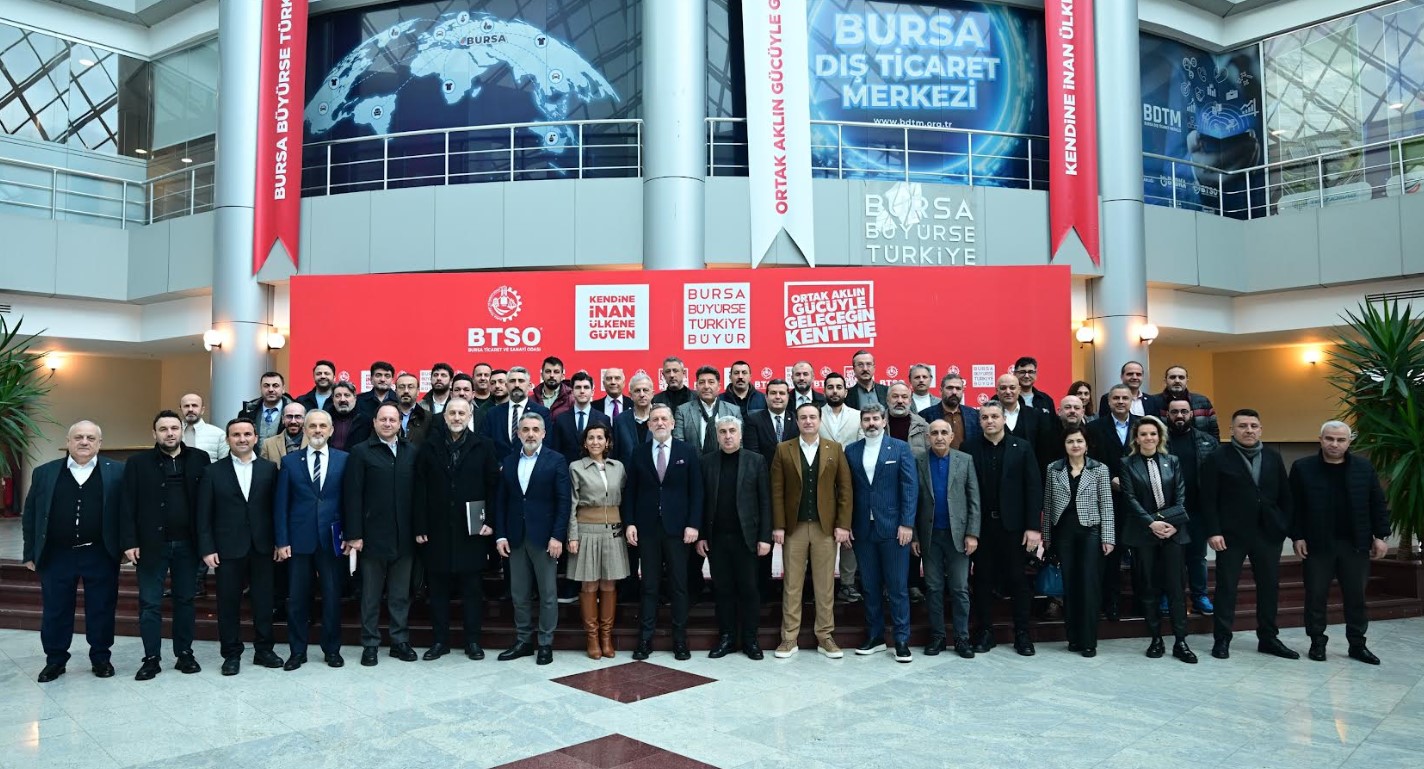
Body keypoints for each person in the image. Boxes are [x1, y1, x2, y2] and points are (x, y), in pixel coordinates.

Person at [23, 421, 124, 683]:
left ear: (99, 443)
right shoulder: (45, 472)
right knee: (56, 609)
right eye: (78, 437)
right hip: (57, 554)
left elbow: (128, 512)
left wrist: (126, 546)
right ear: (68, 442)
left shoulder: (118, 471)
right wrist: (30, 552)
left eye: (90, 438)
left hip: (100, 553)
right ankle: (55, 660)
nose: (84, 442)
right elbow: (31, 514)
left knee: (101, 607)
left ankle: (101, 658)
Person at [1290, 421, 1390, 665]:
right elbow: (1293, 506)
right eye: (1329, 439)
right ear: (1320, 439)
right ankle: (1317, 643)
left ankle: (1357, 645)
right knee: (1315, 596)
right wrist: (1297, 536)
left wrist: (1380, 536)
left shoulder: (1364, 468)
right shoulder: (1302, 467)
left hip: (1355, 544)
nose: (1334, 444)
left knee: (1356, 598)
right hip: (1317, 544)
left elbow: (1377, 502)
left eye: (1340, 440)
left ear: (1349, 442)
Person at [122, 410, 212, 680]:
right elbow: (127, 504)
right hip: (151, 545)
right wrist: (129, 541)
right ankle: (151, 658)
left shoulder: (200, 459)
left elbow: (207, 503)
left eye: (174, 428)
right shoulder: (137, 463)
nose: (169, 433)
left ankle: (184, 654)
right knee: (150, 603)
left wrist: (207, 542)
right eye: (163, 429)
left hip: (188, 545)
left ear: (181, 430)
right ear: (154, 433)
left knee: (185, 600)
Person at [1202, 408, 1297, 660]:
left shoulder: (1273, 457)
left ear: (1261, 429)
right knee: (1227, 588)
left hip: (1267, 534)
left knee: (1269, 587)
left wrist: (1283, 524)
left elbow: (1285, 494)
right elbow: (1208, 499)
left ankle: (1268, 638)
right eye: (1243, 426)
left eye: (1254, 426)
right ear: (1232, 430)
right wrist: (1213, 531)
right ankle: (1222, 639)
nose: (1249, 430)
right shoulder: (1217, 457)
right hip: (1230, 535)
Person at [196, 417, 284, 675]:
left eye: (247, 434)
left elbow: (277, 509)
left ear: (256, 438)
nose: (242, 439)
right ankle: (231, 654)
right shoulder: (213, 472)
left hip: (262, 546)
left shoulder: (270, 469)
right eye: (236, 435)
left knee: (264, 601)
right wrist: (207, 548)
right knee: (228, 603)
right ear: (228, 439)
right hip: (227, 548)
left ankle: (264, 650)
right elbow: (204, 514)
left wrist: (280, 542)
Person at [413, 397, 499, 661]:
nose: (457, 417)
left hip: (472, 530)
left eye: (462, 413)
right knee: (437, 591)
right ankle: (440, 641)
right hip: (436, 530)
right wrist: (420, 525)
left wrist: (490, 521)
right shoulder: (429, 446)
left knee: (472, 590)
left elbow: (493, 486)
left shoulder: (484, 445)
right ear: (444, 416)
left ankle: (472, 641)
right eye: (452, 413)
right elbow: (419, 488)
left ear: (470, 415)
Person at [770, 403, 852, 659]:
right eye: (803, 417)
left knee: (825, 585)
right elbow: (777, 491)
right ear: (797, 421)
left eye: (812, 417)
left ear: (819, 420)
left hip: (824, 528)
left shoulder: (834, 449)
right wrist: (778, 526)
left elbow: (845, 489)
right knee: (792, 585)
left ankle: (825, 636)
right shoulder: (783, 449)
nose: (808, 421)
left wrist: (843, 525)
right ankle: (789, 638)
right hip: (793, 528)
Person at [963, 401, 1043, 656]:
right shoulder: (969, 448)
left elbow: (1033, 488)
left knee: (1018, 580)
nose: (990, 421)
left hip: (1014, 528)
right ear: (980, 421)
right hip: (982, 527)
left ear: (1003, 419)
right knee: (983, 580)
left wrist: (1033, 527)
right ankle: (985, 632)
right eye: (985, 417)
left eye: (994, 416)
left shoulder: (1022, 447)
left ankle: (1022, 634)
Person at [623, 404, 703, 660]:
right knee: (649, 586)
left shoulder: (687, 451)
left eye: (664, 419)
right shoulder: (639, 452)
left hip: (679, 530)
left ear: (672, 423)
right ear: (649, 425)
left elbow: (696, 491)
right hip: (647, 528)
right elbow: (630, 492)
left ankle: (680, 640)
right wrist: (630, 523)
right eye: (655, 419)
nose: (659, 423)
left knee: (679, 586)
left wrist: (694, 524)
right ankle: (645, 640)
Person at [343, 404, 418, 666]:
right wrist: (354, 534)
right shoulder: (360, 452)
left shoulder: (411, 451)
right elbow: (352, 495)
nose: (388, 424)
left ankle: (399, 641)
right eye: (383, 419)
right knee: (370, 595)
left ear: (400, 423)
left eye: (392, 420)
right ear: (374, 422)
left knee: (400, 594)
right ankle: (370, 643)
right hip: (371, 537)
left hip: (405, 537)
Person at [274, 409, 349, 670]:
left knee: (332, 597)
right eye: (313, 426)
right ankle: (297, 651)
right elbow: (281, 505)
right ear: (305, 430)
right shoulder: (290, 461)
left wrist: (350, 535)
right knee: (297, 599)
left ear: (331, 431)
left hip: (332, 540)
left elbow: (349, 501)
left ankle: (332, 650)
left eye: (322, 426)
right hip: (299, 541)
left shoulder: (344, 459)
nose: (317, 430)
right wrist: (282, 541)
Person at [845, 404, 919, 663]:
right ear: (861, 423)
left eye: (876, 418)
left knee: (897, 587)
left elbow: (909, 487)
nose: (871, 423)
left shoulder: (900, 448)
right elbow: (847, 490)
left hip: (894, 529)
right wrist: (846, 523)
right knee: (870, 586)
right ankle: (875, 637)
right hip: (863, 529)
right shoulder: (851, 451)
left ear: (884, 421)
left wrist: (907, 524)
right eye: (867, 419)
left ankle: (901, 640)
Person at [1119, 417, 1197, 663]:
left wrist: (1171, 524)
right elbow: (1130, 498)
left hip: (1173, 532)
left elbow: (1180, 495)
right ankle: (1156, 639)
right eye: (1143, 434)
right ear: (1136, 438)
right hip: (1144, 533)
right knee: (1149, 587)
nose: (1149, 438)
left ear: (1160, 437)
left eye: (1153, 434)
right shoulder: (1127, 463)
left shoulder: (1172, 461)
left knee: (1176, 588)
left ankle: (1181, 641)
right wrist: (1152, 523)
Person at [495, 413, 570, 665]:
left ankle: (545, 643)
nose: (530, 434)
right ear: (518, 433)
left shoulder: (556, 460)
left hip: (545, 538)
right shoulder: (509, 461)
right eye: (525, 429)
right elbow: (502, 502)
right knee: (519, 593)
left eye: (535, 429)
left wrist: (557, 536)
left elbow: (563, 502)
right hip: (516, 537)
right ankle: (524, 641)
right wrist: (501, 535)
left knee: (548, 593)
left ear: (543, 433)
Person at [698, 416, 771, 660]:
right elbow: (702, 502)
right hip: (717, 539)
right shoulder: (706, 462)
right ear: (716, 436)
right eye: (723, 432)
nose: (728, 436)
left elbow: (765, 501)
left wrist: (765, 537)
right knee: (723, 590)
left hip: (747, 538)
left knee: (749, 589)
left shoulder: (756, 461)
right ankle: (727, 638)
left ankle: (750, 640)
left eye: (732, 431)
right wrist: (701, 536)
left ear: (740, 434)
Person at [1042, 426, 1113, 657]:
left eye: (1079, 441)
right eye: (1070, 441)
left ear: (1086, 444)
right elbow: (1048, 504)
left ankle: (1089, 640)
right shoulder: (1054, 469)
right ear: (1064, 445)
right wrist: (1046, 537)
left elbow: (1107, 505)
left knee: (1089, 585)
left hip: (1090, 532)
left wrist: (1108, 537)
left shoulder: (1099, 469)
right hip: (1063, 532)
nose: (1075, 445)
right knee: (1070, 585)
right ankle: (1073, 638)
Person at [914, 419, 980, 658]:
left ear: (952, 437)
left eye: (944, 432)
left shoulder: (965, 460)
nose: (939, 437)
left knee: (960, 588)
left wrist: (972, 533)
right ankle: (938, 637)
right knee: (933, 588)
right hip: (930, 536)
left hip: (958, 536)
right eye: (934, 433)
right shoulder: (919, 461)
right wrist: (914, 535)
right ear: (928, 437)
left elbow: (974, 499)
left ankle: (962, 638)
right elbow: (914, 500)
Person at [567, 423, 630, 659]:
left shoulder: (618, 467)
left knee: (609, 585)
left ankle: (606, 636)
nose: (595, 442)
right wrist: (572, 535)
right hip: (586, 531)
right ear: (585, 443)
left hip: (613, 532)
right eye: (591, 438)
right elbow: (572, 503)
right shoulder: (576, 467)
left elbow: (625, 497)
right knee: (589, 585)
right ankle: (592, 638)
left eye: (600, 438)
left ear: (607, 442)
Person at [1085, 384, 1138, 621]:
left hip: (1139, 499)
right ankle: (1111, 602)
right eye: (1116, 398)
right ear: (1108, 402)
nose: (1120, 402)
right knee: (1111, 554)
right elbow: (1090, 460)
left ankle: (1142, 601)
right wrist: (1109, 479)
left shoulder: (1142, 425)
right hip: (1107, 498)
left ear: (1131, 400)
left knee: (1140, 554)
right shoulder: (1095, 427)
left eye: (1125, 398)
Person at [1164, 398, 1219, 616]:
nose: (1179, 415)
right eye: (1174, 412)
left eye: (1184, 411)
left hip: (1197, 509)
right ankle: (1168, 597)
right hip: (1168, 510)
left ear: (1191, 414)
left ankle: (1200, 596)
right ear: (1167, 415)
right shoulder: (1159, 441)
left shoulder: (1207, 441)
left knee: (1197, 557)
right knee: (1168, 558)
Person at [481, 367, 551, 459]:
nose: (516, 385)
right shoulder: (493, 413)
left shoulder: (542, 412)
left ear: (529, 386)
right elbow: (485, 444)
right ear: (506, 385)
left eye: (521, 381)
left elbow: (547, 444)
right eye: (512, 381)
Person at [675, 366, 741, 454]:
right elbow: (678, 444)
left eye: (711, 382)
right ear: (696, 386)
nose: (706, 386)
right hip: (693, 461)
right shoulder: (683, 411)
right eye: (702, 382)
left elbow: (739, 444)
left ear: (719, 386)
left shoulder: (733, 411)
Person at [996, 373, 1053, 468]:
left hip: (1029, 470)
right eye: (1003, 388)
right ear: (997, 391)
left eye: (1012, 388)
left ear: (1019, 390)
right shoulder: (989, 416)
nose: (1008, 391)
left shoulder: (1035, 415)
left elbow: (1043, 449)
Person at [551, 372, 611, 459]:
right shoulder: (561, 419)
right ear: (572, 392)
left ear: (592, 392)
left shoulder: (603, 419)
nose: (582, 391)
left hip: (595, 466)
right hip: (567, 467)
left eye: (586, 387)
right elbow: (555, 451)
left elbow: (608, 450)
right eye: (578, 387)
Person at [918, 373, 980, 448]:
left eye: (958, 388)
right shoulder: (924, 416)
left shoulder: (974, 415)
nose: (954, 392)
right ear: (941, 390)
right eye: (950, 388)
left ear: (962, 391)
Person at [1157, 366, 1219, 439]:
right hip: (1166, 445)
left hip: (1199, 445)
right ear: (1165, 381)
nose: (1177, 380)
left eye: (1181, 377)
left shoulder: (1203, 402)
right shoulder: (1154, 402)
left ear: (1187, 381)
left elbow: (1214, 430)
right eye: (1172, 377)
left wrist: (1214, 445)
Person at [745, 378, 795, 463]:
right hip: (763, 469)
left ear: (788, 397)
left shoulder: (796, 419)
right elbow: (752, 453)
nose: (777, 397)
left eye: (782, 393)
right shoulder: (753, 420)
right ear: (766, 397)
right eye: (773, 393)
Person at [614, 373, 656, 464]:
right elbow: (615, 455)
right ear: (630, 395)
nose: (642, 394)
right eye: (637, 391)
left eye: (645, 390)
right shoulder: (620, 421)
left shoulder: (662, 418)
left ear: (652, 394)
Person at [1097, 361, 1161, 418]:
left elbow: (1157, 423)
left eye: (1138, 374)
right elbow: (1104, 423)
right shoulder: (1107, 398)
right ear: (1121, 376)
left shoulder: (1152, 400)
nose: (1134, 377)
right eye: (1130, 374)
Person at [239, 371, 292, 440]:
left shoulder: (295, 412)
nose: (271, 389)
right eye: (266, 386)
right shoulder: (246, 413)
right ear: (261, 388)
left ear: (283, 389)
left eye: (275, 386)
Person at [179, 393, 229, 462]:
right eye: (186, 406)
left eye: (194, 405)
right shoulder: (171, 434)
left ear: (202, 410)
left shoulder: (219, 434)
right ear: (180, 410)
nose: (190, 409)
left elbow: (225, 464)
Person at [885, 383, 929, 458]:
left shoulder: (923, 426)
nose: (900, 401)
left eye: (904, 397)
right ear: (887, 400)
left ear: (910, 401)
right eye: (895, 396)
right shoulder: (877, 425)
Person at [328, 381, 372, 452]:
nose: (342, 399)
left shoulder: (366, 421)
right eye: (338, 396)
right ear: (333, 399)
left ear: (355, 398)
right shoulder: (325, 419)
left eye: (347, 395)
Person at [819, 372, 861, 444]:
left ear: (846, 393)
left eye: (839, 387)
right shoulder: (816, 415)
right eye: (830, 387)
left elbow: (861, 444)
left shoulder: (858, 416)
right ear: (824, 392)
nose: (835, 391)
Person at [393, 373, 433, 445]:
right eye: (401, 387)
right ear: (395, 391)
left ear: (418, 391)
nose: (406, 391)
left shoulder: (429, 418)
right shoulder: (387, 416)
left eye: (410, 387)